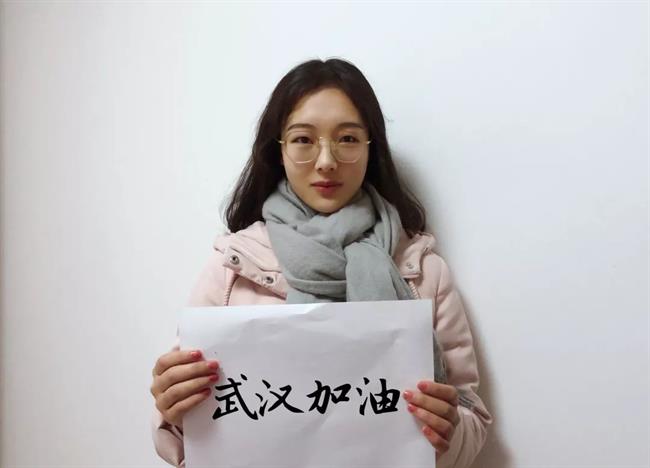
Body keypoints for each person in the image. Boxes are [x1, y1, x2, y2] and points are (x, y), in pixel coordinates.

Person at [149, 58, 492, 468]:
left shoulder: (423, 269)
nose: (326, 160)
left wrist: (448, 430)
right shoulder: (232, 266)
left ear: (370, 147)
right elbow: (183, 439)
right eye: (303, 139)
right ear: (278, 150)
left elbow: (471, 421)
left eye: (347, 138)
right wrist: (173, 413)